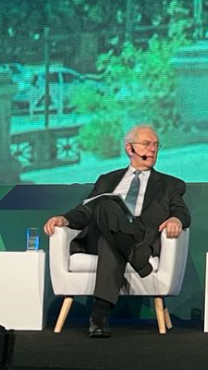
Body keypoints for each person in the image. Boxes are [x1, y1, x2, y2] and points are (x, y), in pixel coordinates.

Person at [43, 124, 190, 338]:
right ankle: (134, 255)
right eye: (147, 144)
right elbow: (85, 211)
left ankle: (99, 316)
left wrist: (176, 219)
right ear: (130, 149)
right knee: (104, 204)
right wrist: (64, 219)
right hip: (108, 232)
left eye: (156, 145)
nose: (152, 150)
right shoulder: (107, 180)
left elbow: (182, 212)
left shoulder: (171, 185)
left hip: (139, 236)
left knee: (108, 242)